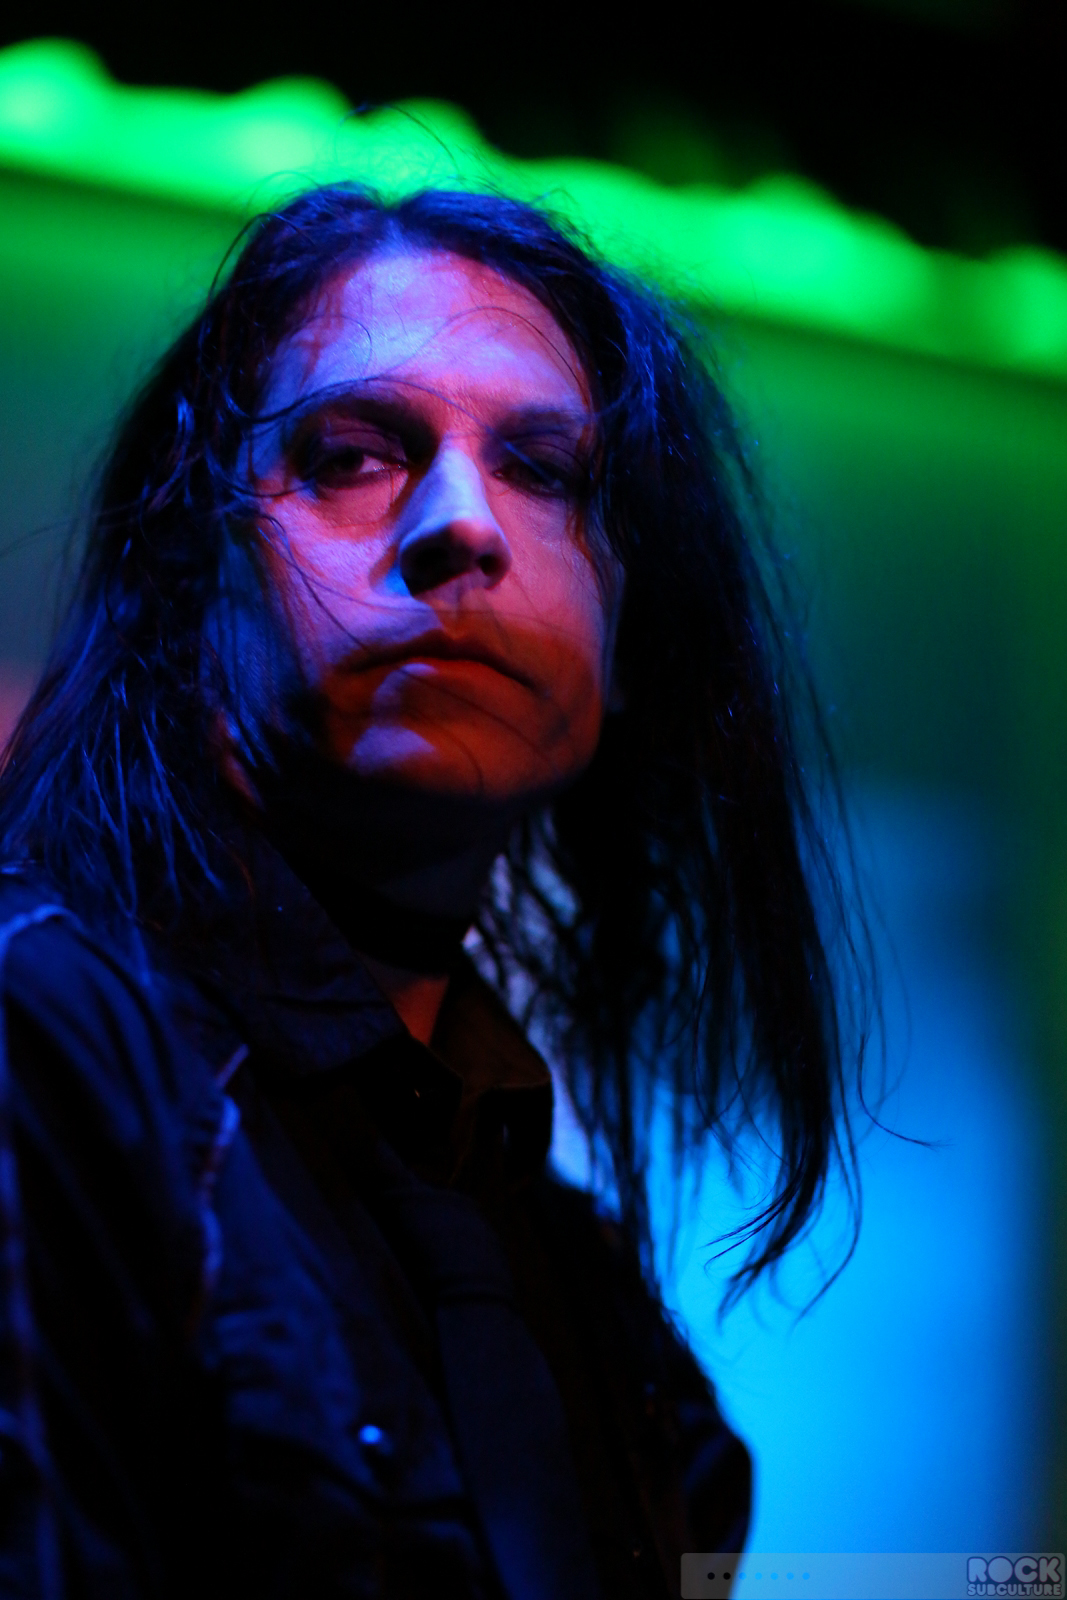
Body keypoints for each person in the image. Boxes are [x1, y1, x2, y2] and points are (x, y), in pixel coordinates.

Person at [0, 185, 867, 1599]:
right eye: (351, 456)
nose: (464, 524)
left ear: (630, 638)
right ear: (191, 579)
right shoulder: (39, 1043)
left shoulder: (606, 1323)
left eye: (547, 470)